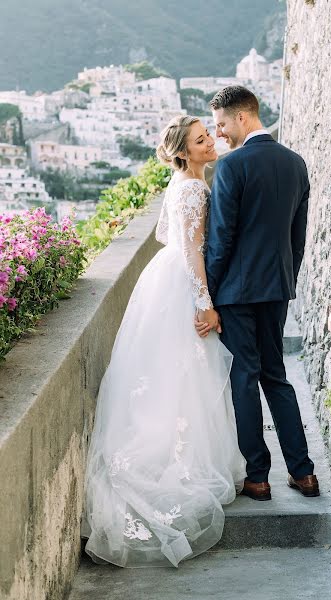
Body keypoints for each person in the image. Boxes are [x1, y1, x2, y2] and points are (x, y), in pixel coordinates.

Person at [82, 115, 246, 569]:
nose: (210, 141)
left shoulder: (177, 184)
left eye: (208, 134)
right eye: (200, 139)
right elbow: (193, 248)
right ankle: (183, 462)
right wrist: (203, 302)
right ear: (183, 152)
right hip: (184, 282)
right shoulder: (193, 187)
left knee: (169, 373)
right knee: (187, 371)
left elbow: (162, 236)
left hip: (163, 275)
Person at [195, 86, 319, 501]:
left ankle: (258, 477)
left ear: (243, 118)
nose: (220, 134)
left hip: (235, 292)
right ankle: (303, 474)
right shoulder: (296, 164)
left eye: (222, 124)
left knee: (244, 379)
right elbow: (296, 237)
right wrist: (285, 279)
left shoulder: (232, 167)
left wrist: (207, 295)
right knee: (277, 377)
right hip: (276, 287)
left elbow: (222, 238)